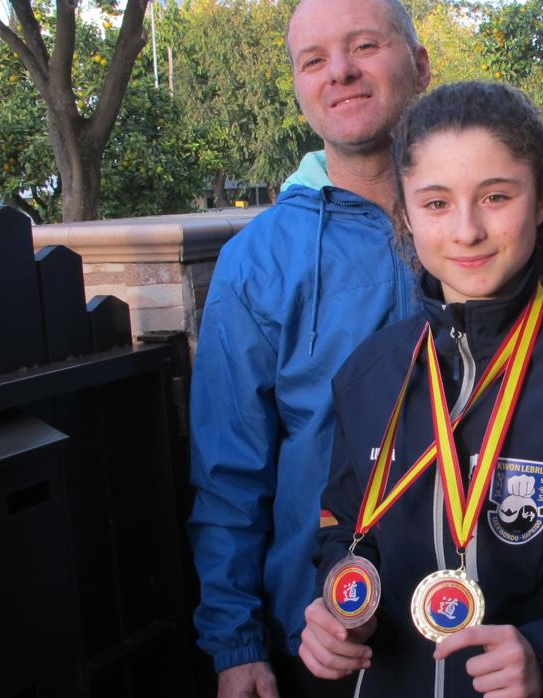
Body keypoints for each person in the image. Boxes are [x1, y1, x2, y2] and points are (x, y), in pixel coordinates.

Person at [298, 81, 543, 697]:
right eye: (436, 203)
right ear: (405, 212)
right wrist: (338, 607)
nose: (467, 230)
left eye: (496, 196)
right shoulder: (370, 374)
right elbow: (341, 524)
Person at [187, 0, 430, 694]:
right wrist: (235, 643)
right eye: (314, 60)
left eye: (364, 46)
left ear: (419, 65)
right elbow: (229, 471)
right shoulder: (256, 261)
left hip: (480, 616)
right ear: (298, 86)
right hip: (322, 632)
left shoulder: (479, 225)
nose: (340, 72)